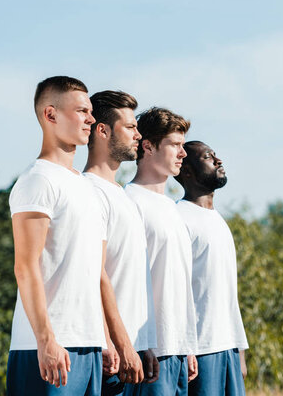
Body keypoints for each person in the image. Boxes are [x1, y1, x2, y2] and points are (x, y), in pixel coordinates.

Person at [6, 76, 107, 395]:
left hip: (89, 346)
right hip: (46, 348)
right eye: (81, 111)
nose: (91, 119)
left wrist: (103, 340)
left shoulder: (87, 188)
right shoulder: (38, 181)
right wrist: (46, 339)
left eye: (91, 111)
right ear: (51, 115)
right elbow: (25, 267)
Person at [83, 90, 159, 394]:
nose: (138, 135)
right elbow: (95, 274)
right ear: (102, 130)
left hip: (133, 352)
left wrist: (145, 344)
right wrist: (114, 343)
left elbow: (131, 275)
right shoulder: (89, 191)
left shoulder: (121, 194)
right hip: (112, 358)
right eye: (130, 127)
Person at [125, 107, 198, 395]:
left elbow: (179, 281)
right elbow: (126, 281)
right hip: (149, 354)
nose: (183, 153)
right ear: (148, 146)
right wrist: (143, 345)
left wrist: (188, 346)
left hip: (178, 351)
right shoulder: (130, 201)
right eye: (175, 145)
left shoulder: (173, 208)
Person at [174, 141, 249, 396]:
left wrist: (239, 350)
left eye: (216, 156)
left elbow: (228, 294)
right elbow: (175, 290)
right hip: (200, 352)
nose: (218, 161)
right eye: (208, 157)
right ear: (187, 172)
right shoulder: (179, 218)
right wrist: (185, 348)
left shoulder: (218, 220)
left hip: (227, 348)